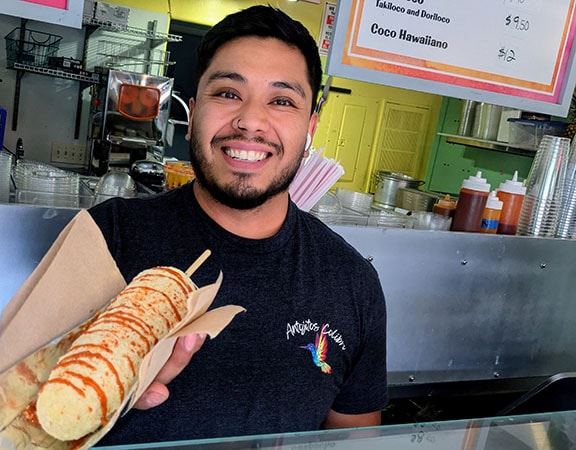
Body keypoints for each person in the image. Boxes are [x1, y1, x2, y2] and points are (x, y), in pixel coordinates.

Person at [88, 5, 387, 445]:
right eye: (228, 93)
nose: (249, 120)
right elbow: (31, 417)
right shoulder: (107, 237)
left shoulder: (351, 282)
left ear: (310, 129)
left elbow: (354, 441)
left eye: (282, 100)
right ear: (191, 114)